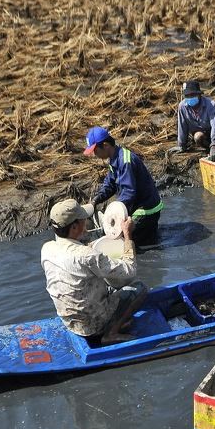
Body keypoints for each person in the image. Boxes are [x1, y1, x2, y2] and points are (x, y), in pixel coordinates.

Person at [40, 199, 148, 346]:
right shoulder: (88, 256)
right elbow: (130, 269)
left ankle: (111, 322)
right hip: (93, 324)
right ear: (74, 226)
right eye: (83, 219)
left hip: (70, 322)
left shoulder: (47, 248)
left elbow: (74, 257)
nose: (86, 221)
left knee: (106, 284)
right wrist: (128, 236)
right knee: (139, 287)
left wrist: (92, 245)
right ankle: (111, 332)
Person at [84, 127, 164, 246]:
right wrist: (95, 200)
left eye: (95, 150)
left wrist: (114, 214)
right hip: (135, 205)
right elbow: (109, 185)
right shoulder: (114, 159)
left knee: (124, 240)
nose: (95, 154)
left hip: (146, 210)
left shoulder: (125, 161)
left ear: (105, 145)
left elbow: (129, 192)